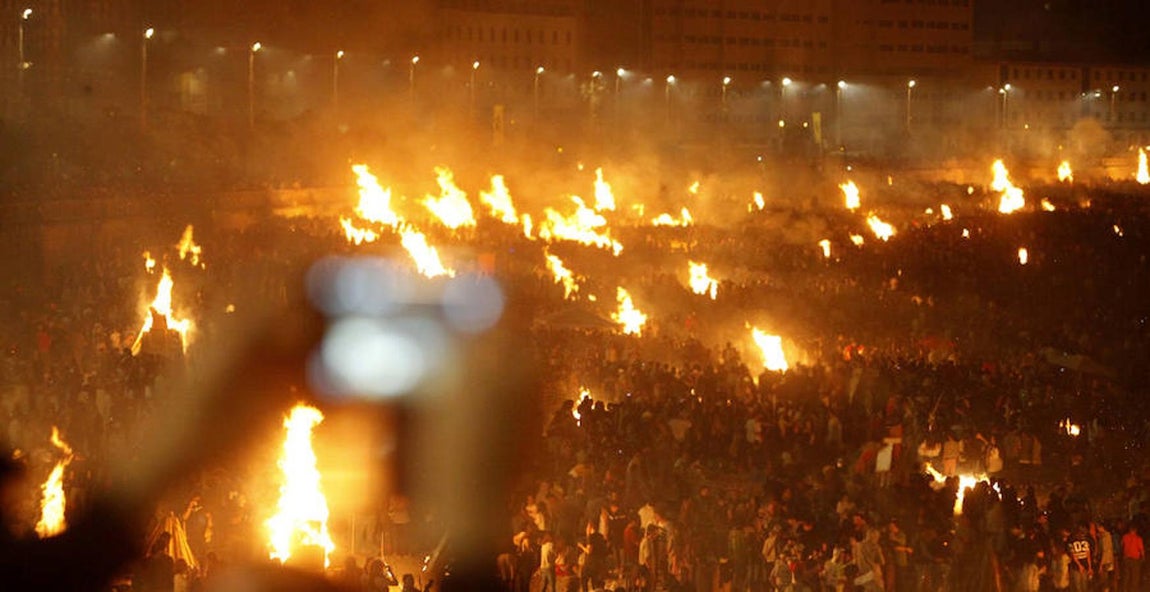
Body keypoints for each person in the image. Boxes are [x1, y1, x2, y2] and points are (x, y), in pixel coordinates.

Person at [1122, 524, 1143, 592]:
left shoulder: (1125, 537)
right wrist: (1143, 557)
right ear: (1136, 530)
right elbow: (1141, 549)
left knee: (1126, 576)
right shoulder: (1138, 538)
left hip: (1126, 558)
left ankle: (1125, 589)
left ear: (1129, 530)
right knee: (1135, 577)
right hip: (1135, 560)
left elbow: (1121, 544)